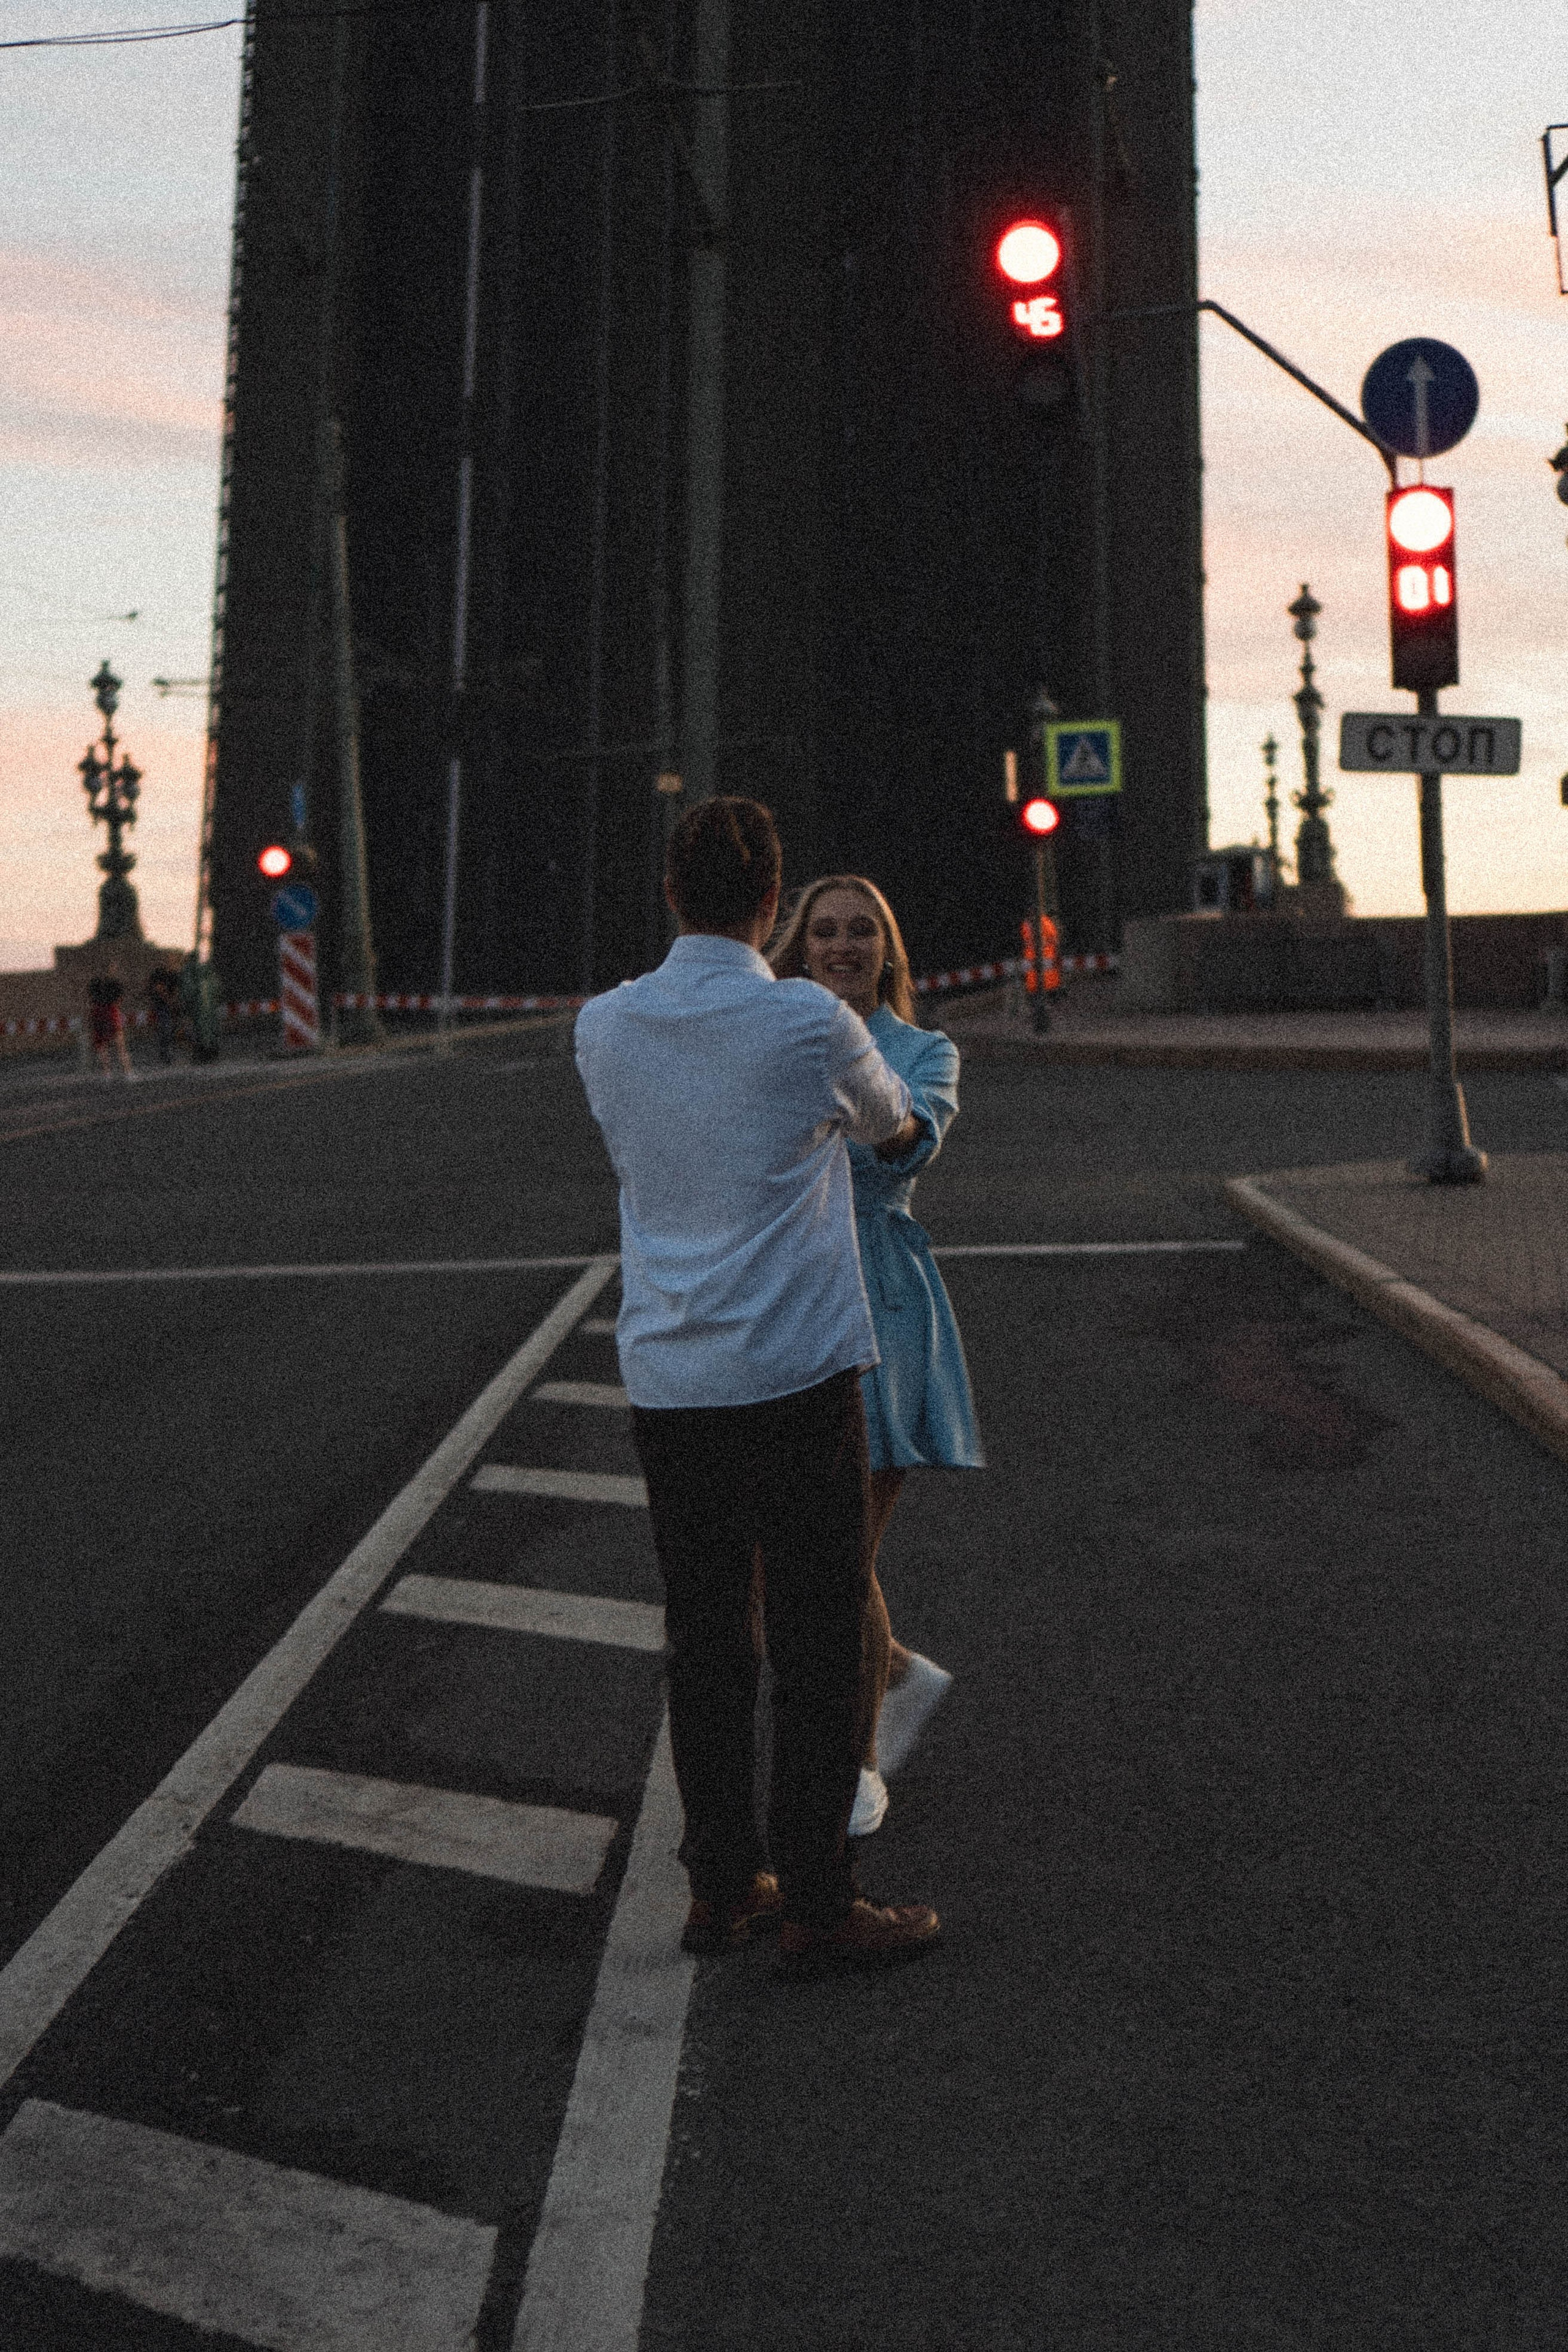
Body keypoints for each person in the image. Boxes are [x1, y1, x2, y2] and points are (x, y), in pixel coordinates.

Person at [575, 797, 941, 1976]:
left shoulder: (603, 1026)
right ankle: (823, 1901)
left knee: (708, 1639)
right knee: (822, 1635)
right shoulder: (809, 1024)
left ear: (672, 897)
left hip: (672, 1378)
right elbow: (893, 1126)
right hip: (796, 1372)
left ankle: (723, 1890)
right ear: (774, 905)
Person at [771, 875, 982, 1834]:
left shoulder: (923, 1051)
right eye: (826, 932)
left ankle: (854, 1769)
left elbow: (899, 1148)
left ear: (887, 951)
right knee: (801, 1566)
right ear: (799, 946)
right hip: (785, 1307)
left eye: (863, 932)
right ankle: (892, 1672)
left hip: (881, 1304)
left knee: (839, 1557)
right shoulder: (771, 1035)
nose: (844, 946)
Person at [87, 974, 133, 1079]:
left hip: (98, 1015)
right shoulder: (112, 993)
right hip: (112, 1014)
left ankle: (107, 1073)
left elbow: (91, 1006)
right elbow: (119, 1000)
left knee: (103, 1047)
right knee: (121, 1046)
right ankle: (128, 1072)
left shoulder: (96, 996)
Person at [146, 964, 179, 1066]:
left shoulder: (170, 977)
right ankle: (165, 1054)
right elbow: (159, 990)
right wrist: (169, 1000)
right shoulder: (161, 977)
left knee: (167, 1030)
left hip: (165, 1007)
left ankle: (165, 1054)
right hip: (162, 1007)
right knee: (165, 1030)